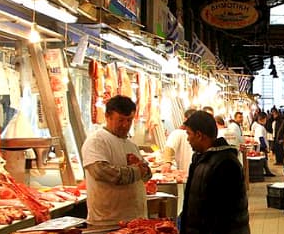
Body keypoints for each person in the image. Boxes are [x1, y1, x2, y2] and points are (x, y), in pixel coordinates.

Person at [179, 111, 251, 234]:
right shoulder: (201, 158)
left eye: (189, 134)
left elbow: (226, 206)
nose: (187, 138)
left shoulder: (226, 162)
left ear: (199, 135)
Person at [81, 95, 152, 226]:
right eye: (120, 120)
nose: (125, 125)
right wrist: (137, 171)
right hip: (108, 222)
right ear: (107, 116)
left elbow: (146, 174)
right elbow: (101, 172)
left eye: (129, 120)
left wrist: (145, 170)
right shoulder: (97, 141)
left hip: (135, 220)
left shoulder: (131, 145)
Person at [161, 109, 197, 173]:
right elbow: (169, 148)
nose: (188, 139)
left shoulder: (178, 133)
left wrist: (167, 162)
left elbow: (169, 148)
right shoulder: (179, 133)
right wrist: (167, 162)